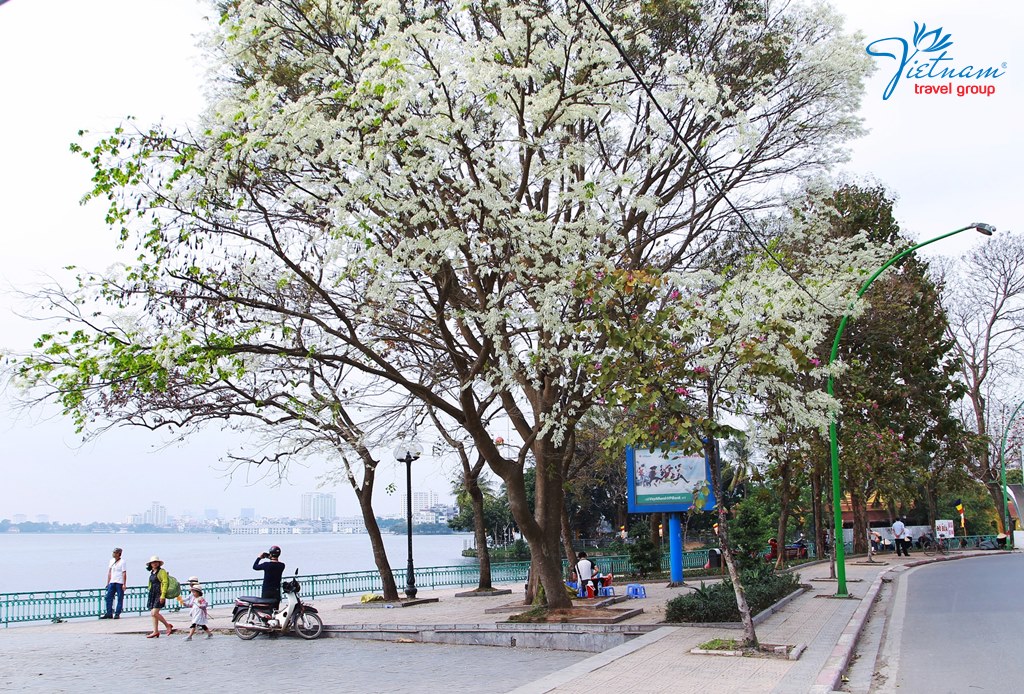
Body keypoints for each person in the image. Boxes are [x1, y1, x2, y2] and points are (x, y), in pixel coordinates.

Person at [145, 555, 174, 638]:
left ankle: (167, 625)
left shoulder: (162, 571)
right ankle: (155, 631)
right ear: (150, 564)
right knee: (153, 614)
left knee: (154, 612)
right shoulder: (152, 572)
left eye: (156, 562)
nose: (154, 564)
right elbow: (150, 583)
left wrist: (163, 595)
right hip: (152, 593)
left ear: (159, 563)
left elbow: (165, 583)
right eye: (153, 562)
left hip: (159, 593)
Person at [100, 547, 127, 619]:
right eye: (113, 552)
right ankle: (109, 613)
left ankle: (117, 613)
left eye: (115, 553)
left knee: (120, 598)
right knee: (108, 597)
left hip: (119, 582)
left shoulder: (122, 562)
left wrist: (124, 584)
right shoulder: (111, 561)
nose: (114, 554)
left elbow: (124, 573)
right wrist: (108, 582)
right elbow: (109, 572)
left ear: (119, 554)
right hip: (112, 582)